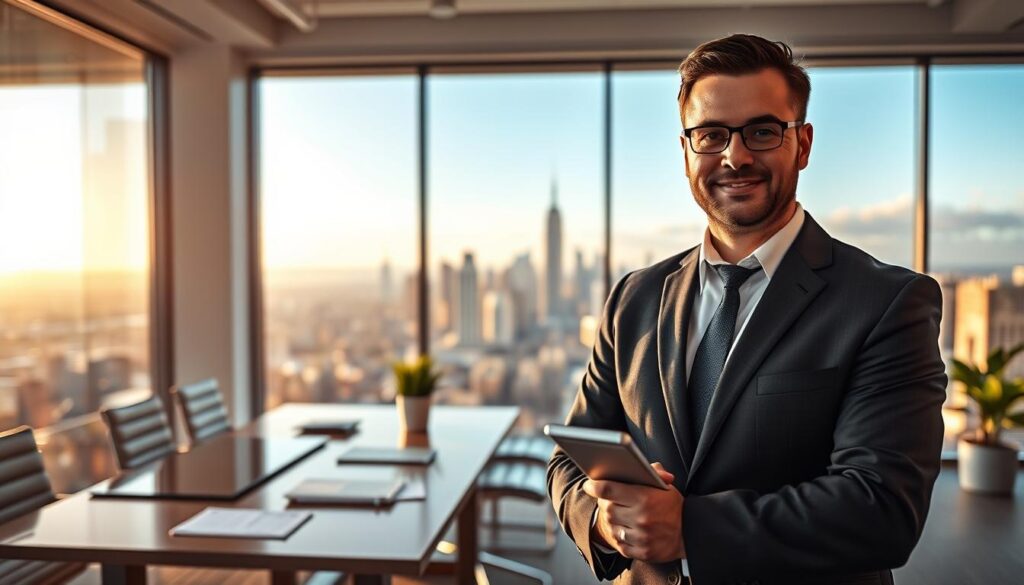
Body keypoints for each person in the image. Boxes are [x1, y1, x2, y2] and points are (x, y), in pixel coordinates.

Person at [547, 34, 946, 585]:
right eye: (711, 135)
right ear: (686, 152)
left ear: (802, 145)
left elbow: (882, 508)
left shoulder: (887, 303)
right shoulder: (634, 298)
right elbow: (569, 460)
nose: (735, 157)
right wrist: (606, 526)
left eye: (762, 131)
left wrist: (690, 529)